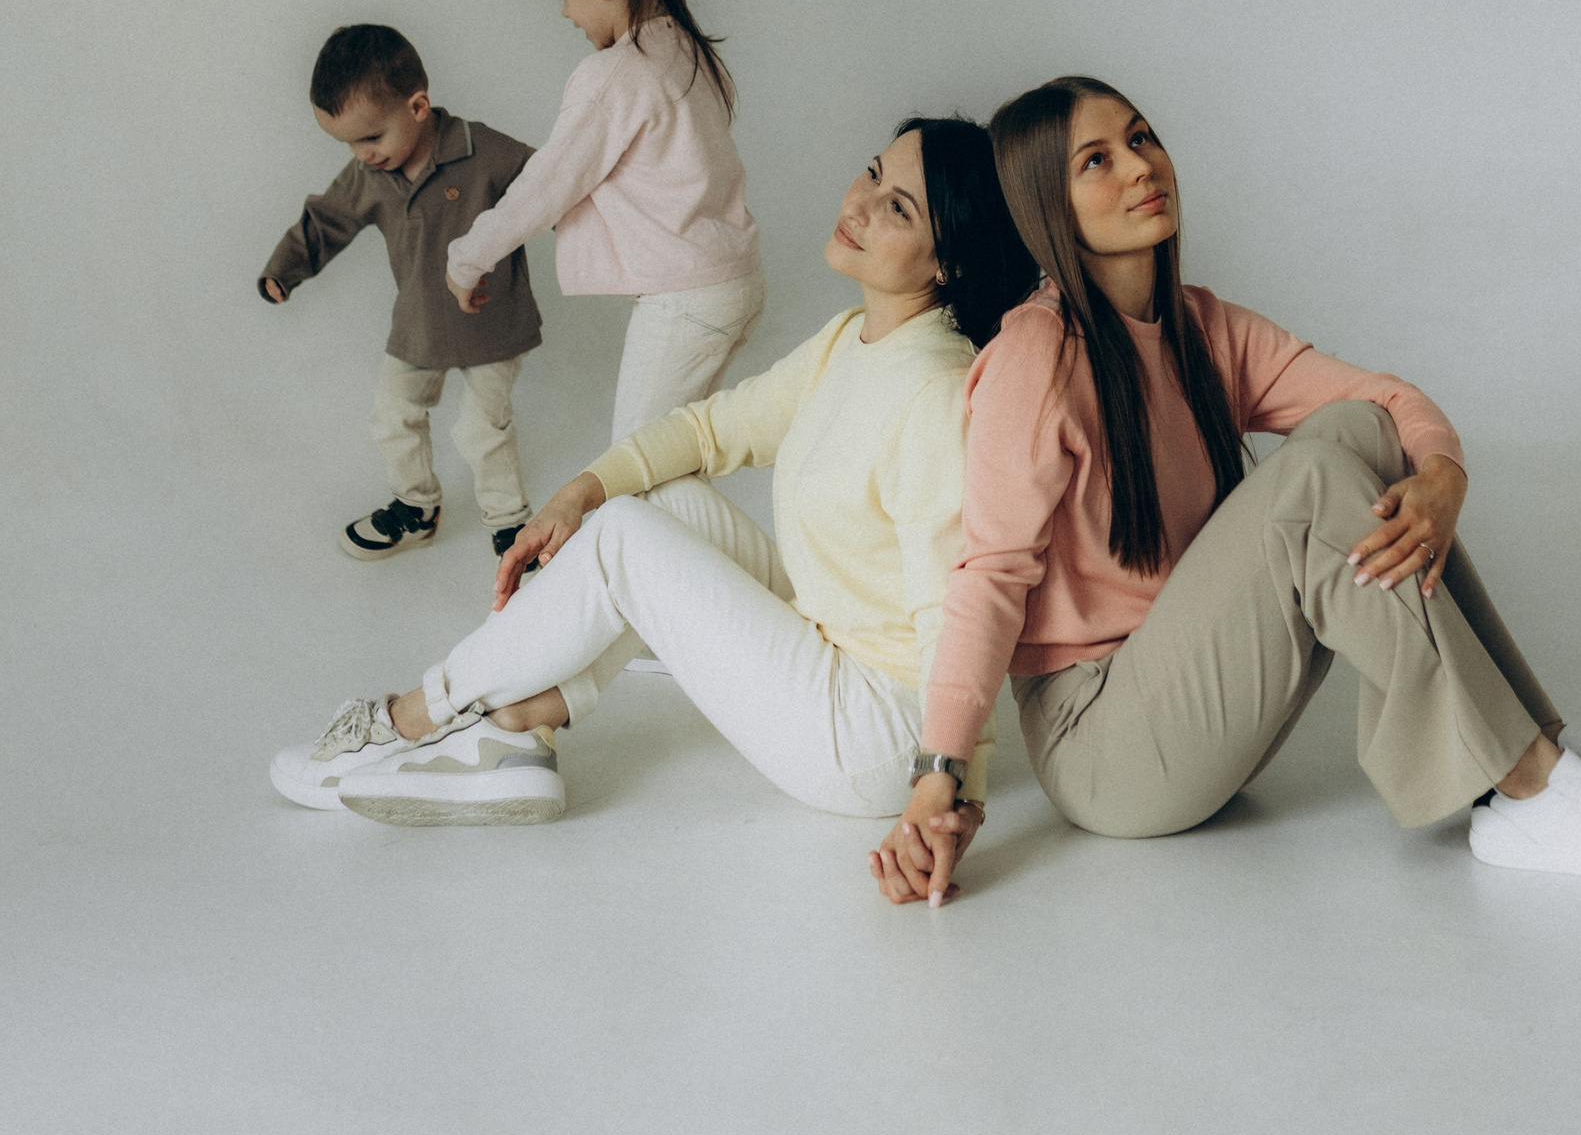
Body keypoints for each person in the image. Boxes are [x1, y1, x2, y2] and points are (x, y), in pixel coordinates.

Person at [869, 76, 1581, 908]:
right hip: (1102, 747)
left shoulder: (1199, 326)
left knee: (1360, 434)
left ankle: (1533, 750)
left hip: (1193, 703)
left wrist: (1442, 477)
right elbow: (989, 576)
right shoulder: (1035, 355)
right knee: (1311, 483)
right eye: (1096, 160)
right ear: (1046, 207)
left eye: (1141, 137)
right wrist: (939, 775)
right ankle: (1528, 785)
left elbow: (1386, 403)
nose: (1139, 166)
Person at [268, 117, 1038, 826]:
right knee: (656, 496)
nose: (860, 203)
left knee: (628, 538)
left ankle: (411, 718)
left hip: (880, 736)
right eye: (872, 172)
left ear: (952, 258)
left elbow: (959, 610)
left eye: (898, 208)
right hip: (829, 638)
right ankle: (515, 729)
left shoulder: (935, 392)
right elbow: (710, 429)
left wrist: (954, 784)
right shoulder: (855, 338)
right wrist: (578, 493)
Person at [445, 0, 764, 445]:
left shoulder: (615, 75)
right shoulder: (689, 52)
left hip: (686, 300)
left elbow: (548, 184)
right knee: (668, 459)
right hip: (733, 282)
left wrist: (469, 257)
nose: (565, 12)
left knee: (633, 471)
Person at [259, 23, 542, 559]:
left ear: (417, 107)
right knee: (392, 417)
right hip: (418, 324)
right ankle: (416, 508)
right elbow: (328, 217)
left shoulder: (482, 150)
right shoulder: (370, 175)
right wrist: (285, 268)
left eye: (370, 137)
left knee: (482, 430)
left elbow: (550, 185)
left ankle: (511, 525)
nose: (362, 154)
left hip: (492, 323)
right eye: (349, 143)